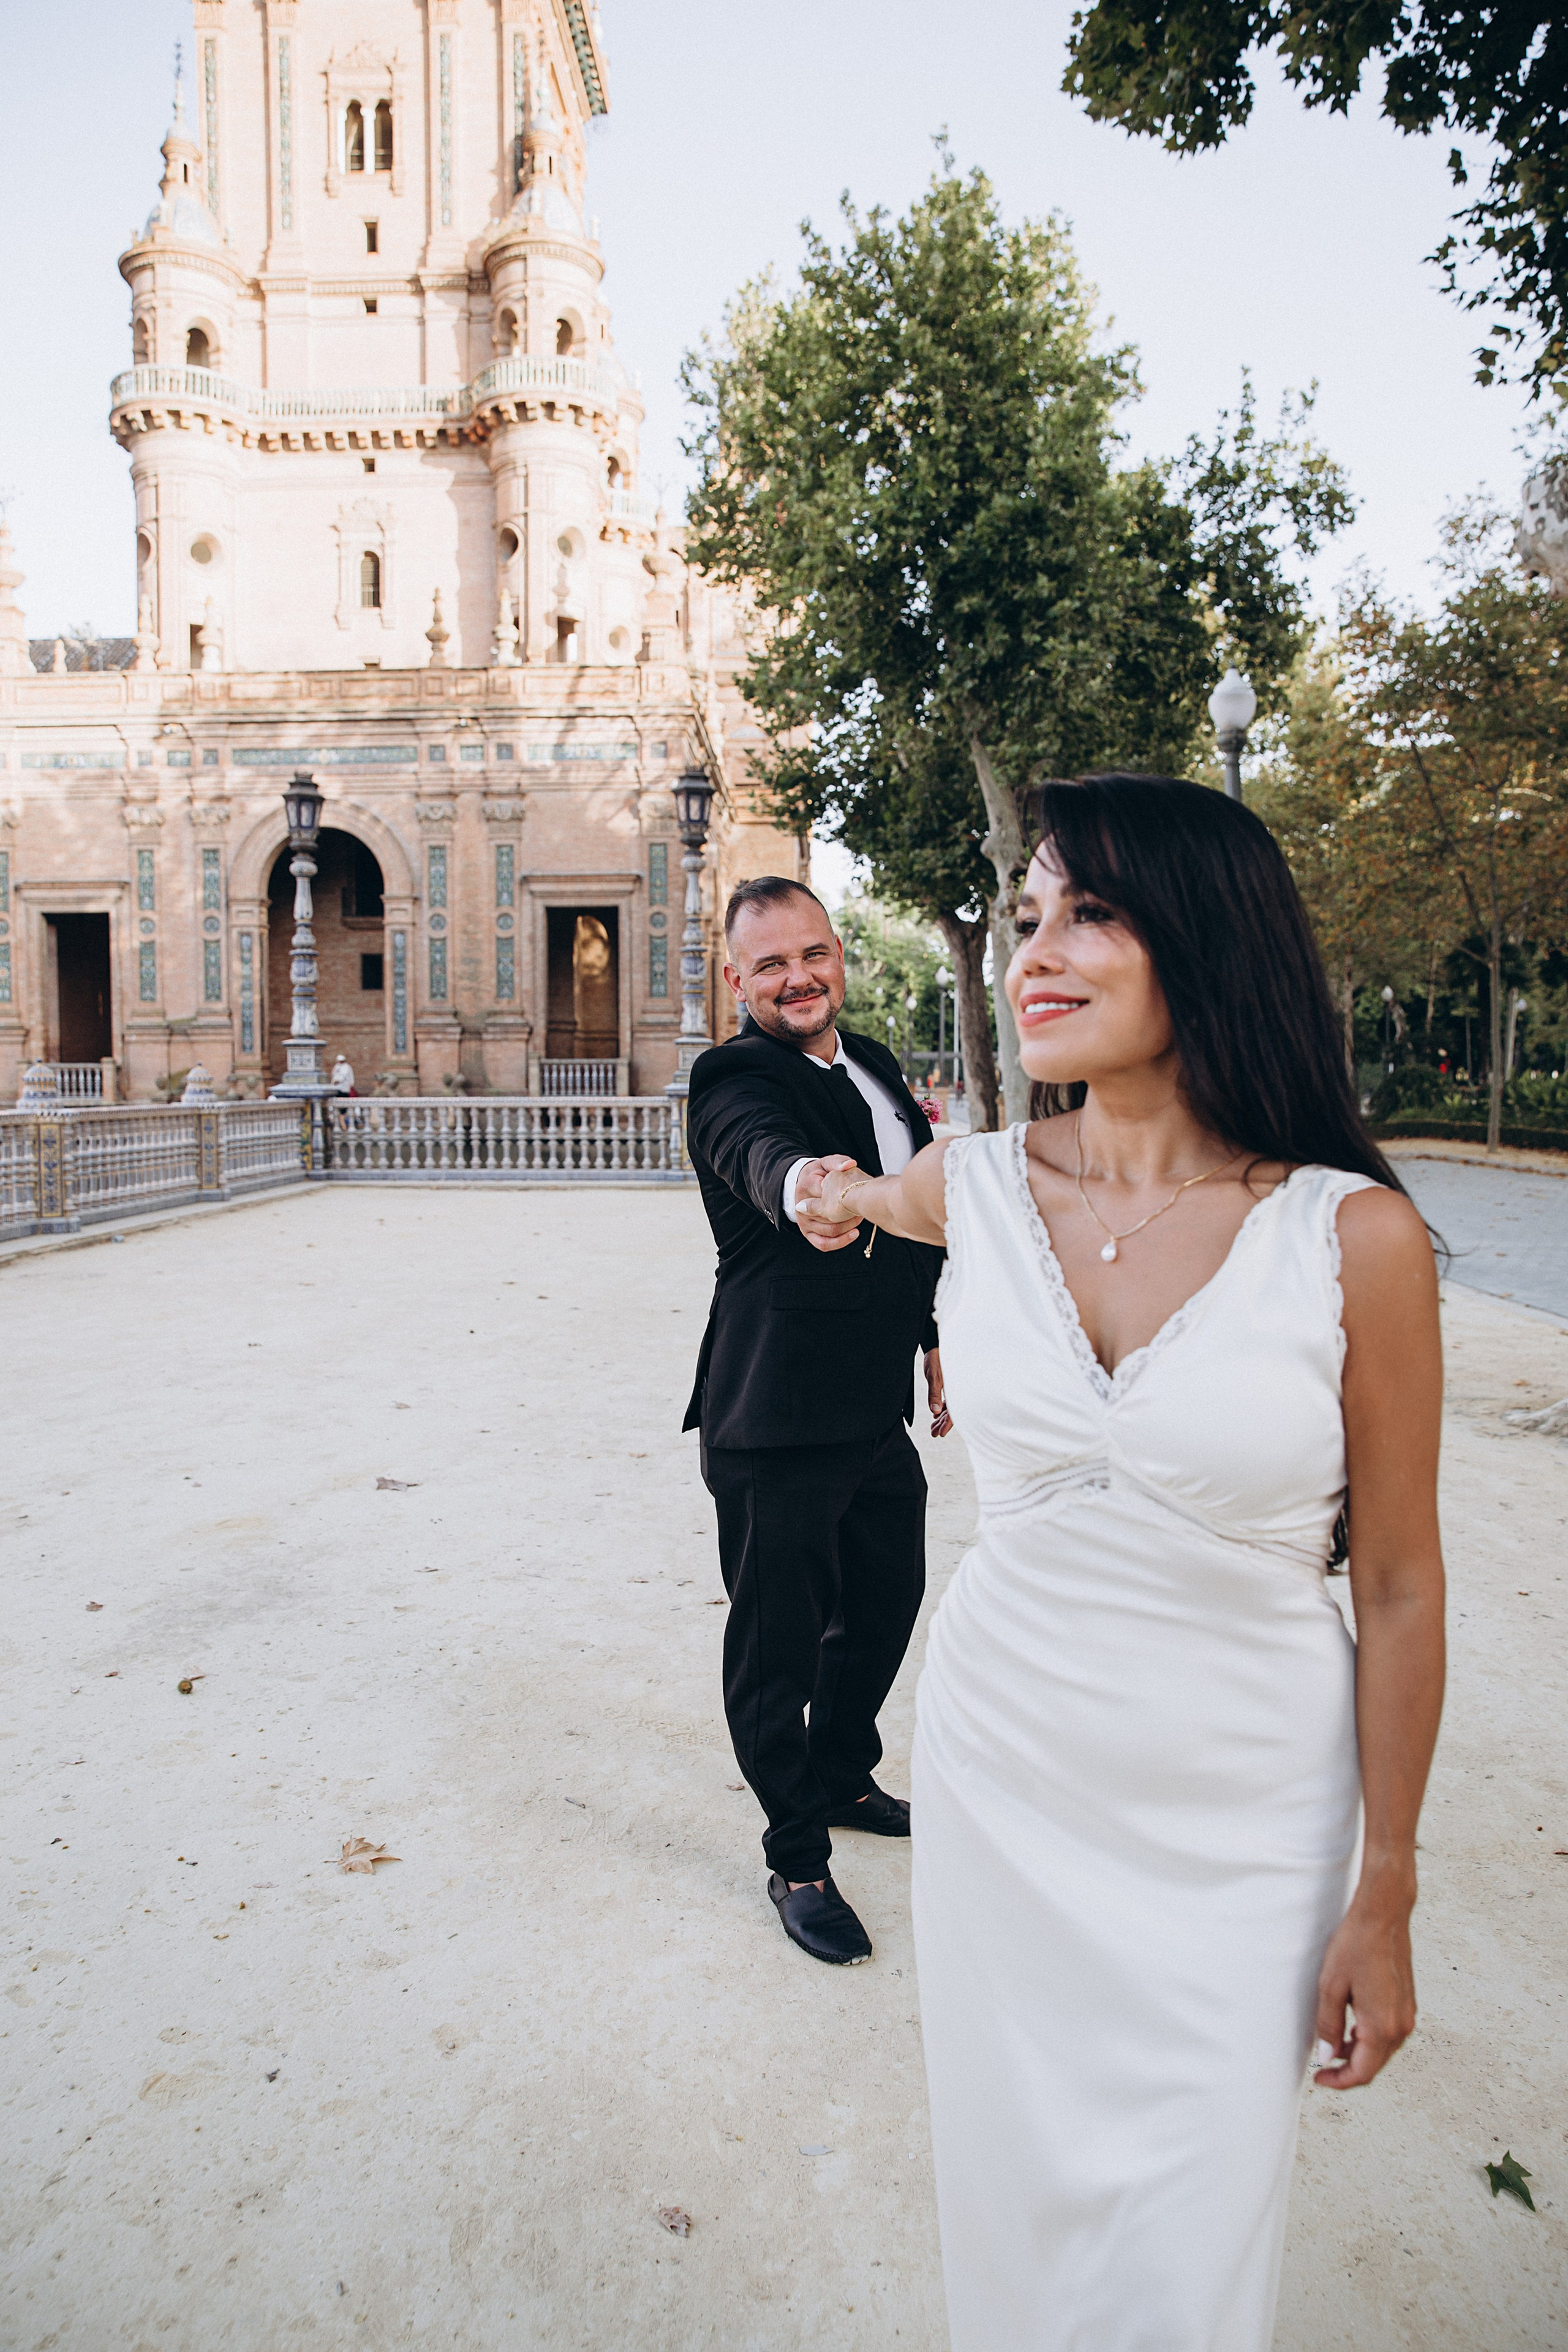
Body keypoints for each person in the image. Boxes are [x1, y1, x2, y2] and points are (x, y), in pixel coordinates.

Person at [798, 776, 1446, 2349]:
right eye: (1027, 914)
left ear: (1205, 941)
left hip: (1238, 1827)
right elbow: (870, 1194)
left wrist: (1388, 1891)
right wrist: (820, 1194)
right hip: (1000, 1780)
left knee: (1189, 2241)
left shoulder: (1350, 1239)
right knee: (1011, 2210)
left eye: (1087, 910)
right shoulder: (980, 1187)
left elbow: (1402, 1586)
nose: (1035, 949)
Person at [683, 875, 949, 1966]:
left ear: (839, 955)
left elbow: (922, 1208)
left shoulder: (877, 1062)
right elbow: (761, 1155)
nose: (798, 979)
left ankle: (840, 1772)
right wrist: (808, 1189)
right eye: (770, 966)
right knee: (775, 1648)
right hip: (774, 1411)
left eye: (814, 954)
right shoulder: (731, 1074)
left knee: (888, 1596)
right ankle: (796, 1855)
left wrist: (932, 1336)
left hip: (870, 1402)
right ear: (737, 982)